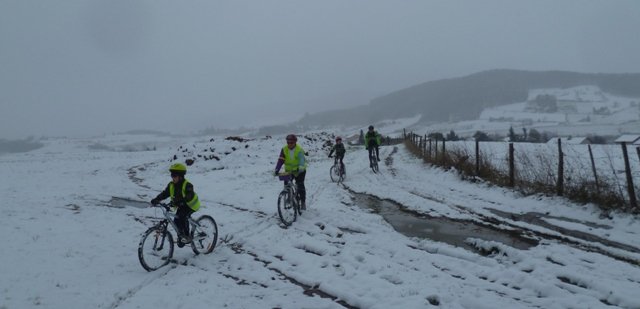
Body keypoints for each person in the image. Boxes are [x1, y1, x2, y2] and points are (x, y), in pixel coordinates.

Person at [150, 163, 201, 247]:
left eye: (174, 175)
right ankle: (181, 236)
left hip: (191, 205)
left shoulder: (188, 185)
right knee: (176, 220)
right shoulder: (171, 185)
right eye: (171, 175)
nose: (172, 177)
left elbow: (189, 196)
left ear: (180, 176)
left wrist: (180, 201)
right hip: (181, 205)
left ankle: (186, 236)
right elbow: (165, 193)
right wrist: (157, 199)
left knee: (182, 216)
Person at [274, 134, 308, 209]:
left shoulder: (299, 150)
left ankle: (303, 202)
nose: (289, 144)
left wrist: (301, 168)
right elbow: (281, 160)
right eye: (288, 142)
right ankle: (289, 196)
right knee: (286, 185)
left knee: (300, 185)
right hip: (289, 171)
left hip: (299, 170)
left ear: (295, 142)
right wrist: (277, 169)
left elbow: (302, 160)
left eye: (291, 143)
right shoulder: (284, 149)